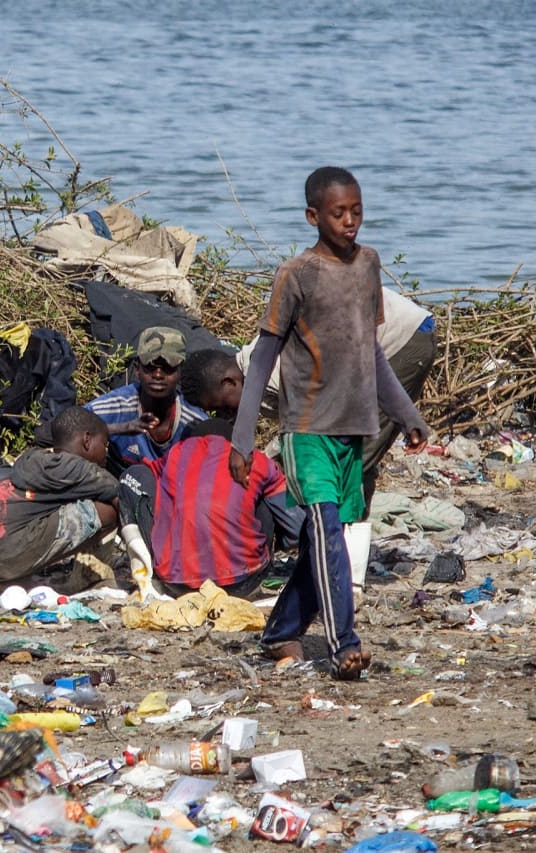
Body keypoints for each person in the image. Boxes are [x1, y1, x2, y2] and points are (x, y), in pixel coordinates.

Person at [229, 167, 428, 680]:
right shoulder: (296, 274)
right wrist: (243, 439)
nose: (350, 221)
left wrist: (406, 415)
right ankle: (345, 644)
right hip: (306, 426)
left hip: (352, 427)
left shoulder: (368, 265)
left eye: (357, 211)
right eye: (338, 213)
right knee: (323, 526)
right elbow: (263, 357)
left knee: (328, 536)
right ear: (312, 216)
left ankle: (280, 631)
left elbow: (373, 354)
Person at [119, 350, 304, 599]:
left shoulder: (173, 457)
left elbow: (136, 478)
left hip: (176, 582)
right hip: (241, 581)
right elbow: (296, 527)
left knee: (141, 479)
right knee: (262, 494)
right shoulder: (254, 460)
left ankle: (147, 560)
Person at [236, 286, 436, 512]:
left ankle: (336, 527)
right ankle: (345, 522)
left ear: (229, 382)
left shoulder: (269, 374)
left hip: (401, 337)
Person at [0, 406, 118, 594]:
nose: (106, 453)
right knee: (107, 509)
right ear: (87, 440)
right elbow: (119, 495)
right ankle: (86, 580)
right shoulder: (76, 468)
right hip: (0, 553)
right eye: (104, 445)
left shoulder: (29, 462)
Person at [84, 326, 208, 476]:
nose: (158, 375)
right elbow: (71, 431)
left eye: (168, 367)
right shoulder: (117, 406)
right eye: (150, 366)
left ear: (181, 371)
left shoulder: (194, 423)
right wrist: (119, 428)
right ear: (137, 369)